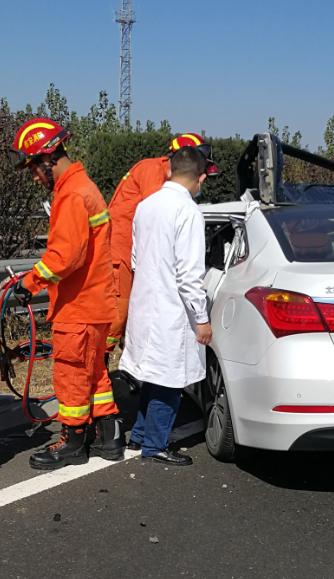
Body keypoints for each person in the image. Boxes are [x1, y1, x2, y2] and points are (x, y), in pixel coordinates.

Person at [9, 117, 125, 470]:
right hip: (96, 303)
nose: (34, 177)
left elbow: (65, 256)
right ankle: (110, 435)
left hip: (79, 306)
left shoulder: (73, 193)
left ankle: (72, 442)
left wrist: (29, 284)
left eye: (33, 167)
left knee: (71, 372)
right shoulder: (82, 187)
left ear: (48, 157)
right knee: (95, 374)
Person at [119, 146, 213, 466]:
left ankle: (141, 436)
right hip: (172, 309)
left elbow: (134, 259)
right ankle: (156, 445)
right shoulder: (188, 212)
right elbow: (189, 274)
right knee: (171, 381)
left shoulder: (145, 206)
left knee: (153, 376)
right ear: (200, 178)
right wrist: (201, 319)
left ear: (169, 171)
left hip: (145, 304)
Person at [106, 133, 218, 356]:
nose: (201, 177)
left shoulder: (159, 175)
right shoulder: (153, 171)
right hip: (121, 255)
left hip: (132, 254)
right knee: (116, 320)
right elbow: (160, 220)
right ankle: (99, 367)